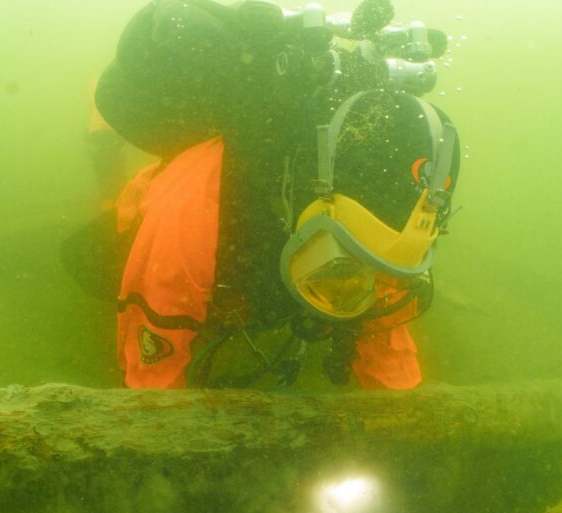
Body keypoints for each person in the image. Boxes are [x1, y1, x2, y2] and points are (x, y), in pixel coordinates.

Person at [90, 0, 461, 390]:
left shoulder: (384, 218)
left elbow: (390, 356)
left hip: (262, 253)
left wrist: (395, 417)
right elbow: (153, 386)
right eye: (344, 269)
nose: (360, 291)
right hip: (151, 232)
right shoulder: (190, 211)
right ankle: (101, 170)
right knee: (96, 261)